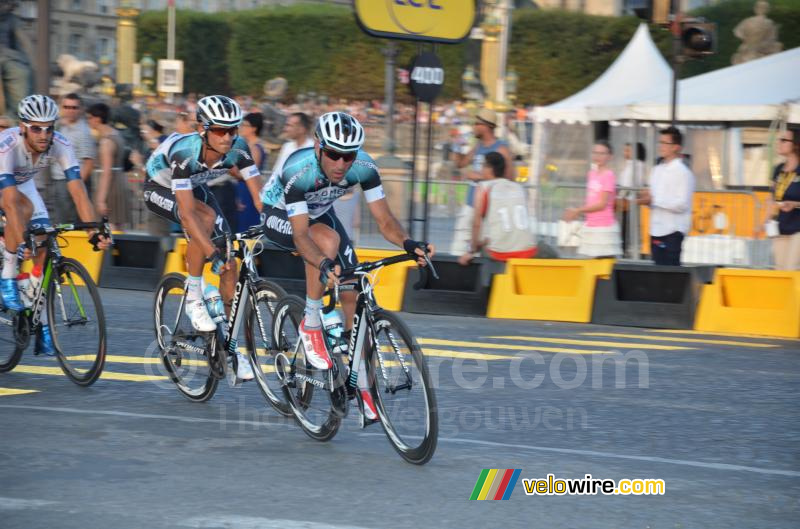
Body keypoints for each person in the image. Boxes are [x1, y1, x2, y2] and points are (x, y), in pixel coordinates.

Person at [259, 111, 432, 419]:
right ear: (318, 146)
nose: (340, 164)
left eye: (347, 156)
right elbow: (301, 235)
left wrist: (408, 243)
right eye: (333, 154)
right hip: (281, 214)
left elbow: (384, 220)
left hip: (319, 212)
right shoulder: (299, 170)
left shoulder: (363, 167)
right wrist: (324, 264)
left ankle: (361, 381)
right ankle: (311, 322)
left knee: (354, 285)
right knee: (324, 243)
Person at [144, 95, 262, 381]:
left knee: (231, 259)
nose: (227, 137)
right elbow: (186, 214)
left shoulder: (240, 149)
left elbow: (262, 199)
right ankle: (194, 296)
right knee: (204, 222)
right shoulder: (186, 152)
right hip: (159, 187)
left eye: (233, 130)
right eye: (220, 130)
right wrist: (211, 254)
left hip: (195, 186)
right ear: (204, 129)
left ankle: (230, 347)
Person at [0, 94, 110, 354]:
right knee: (19, 208)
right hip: (5, 182)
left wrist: (93, 229)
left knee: (45, 237)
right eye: (36, 128)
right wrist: (20, 232)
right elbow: (10, 199)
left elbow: (78, 191)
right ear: (23, 126)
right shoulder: (7, 145)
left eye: (49, 128)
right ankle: (7, 276)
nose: (43, 134)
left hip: (22, 183)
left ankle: (39, 314)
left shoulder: (61, 144)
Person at [451, 108, 513, 255]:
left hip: (488, 208)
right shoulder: (477, 146)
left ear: (485, 126)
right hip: (471, 205)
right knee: (458, 248)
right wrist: (456, 145)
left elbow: (510, 178)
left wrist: (481, 177)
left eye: (476, 123)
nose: (474, 127)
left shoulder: (502, 149)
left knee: (479, 250)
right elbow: (461, 163)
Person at [458, 151, 535, 266]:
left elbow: (476, 224)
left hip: (501, 254)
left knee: (479, 255)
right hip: (528, 251)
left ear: (489, 168)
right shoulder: (518, 188)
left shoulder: (483, 188)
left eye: (483, 166)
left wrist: (471, 251)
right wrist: (483, 242)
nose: (481, 170)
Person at [637, 127, 695, 266]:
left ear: (676, 147)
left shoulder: (683, 173)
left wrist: (654, 200)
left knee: (670, 274)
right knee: (658, 273)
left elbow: (682, 204)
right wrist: (646, 199)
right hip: (656, 230)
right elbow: (653, 199)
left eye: (665, 143)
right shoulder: (656, 170)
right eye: (660, 142)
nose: (661, 146)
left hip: (672, 232)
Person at [564, 140, 622, 258]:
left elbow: (602, 204)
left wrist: (578, 210)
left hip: (603, 227)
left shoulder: (608, 175)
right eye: (595, 152)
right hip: (591, 225)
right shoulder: (592, 173)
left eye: (602, 153)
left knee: (604, 265)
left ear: (609, 156)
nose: (597, 156)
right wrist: (577, 211)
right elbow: (591, 200)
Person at [86, 102, 131, 230]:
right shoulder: (117, 135)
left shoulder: (106, 142)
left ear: (97, 118)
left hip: (110, 188)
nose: (88, 121)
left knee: (108, 227)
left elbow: (107, 172)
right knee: (119, 226)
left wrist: (100, 199)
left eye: (89, 118)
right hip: (120, 183)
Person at [769, 128, 800, 270]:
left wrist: (795, 204)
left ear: (795, 144)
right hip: (779, 228)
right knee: (779, 272)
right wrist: (764, 222)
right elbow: (771, 197)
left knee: (791, 269)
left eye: (783, 140)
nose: (778, 143)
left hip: (797, 230)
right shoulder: (778, 169)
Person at [236, 112, 267, 230]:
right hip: (243, 188)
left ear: (254, 128)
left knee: (246, 225)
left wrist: (231, 170)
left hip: (248, 190)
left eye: (245, 125)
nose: (241, 128)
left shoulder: (255, 148)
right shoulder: (247, 146)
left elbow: (250, 175)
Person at [617, 142, 646, 257]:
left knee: (626, 229)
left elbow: (628, 185)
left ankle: (627, 253)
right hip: (627, 200)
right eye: (625, 150)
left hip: (628, 202)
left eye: (628, 150)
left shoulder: (636, 166)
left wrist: (621, 195)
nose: (625, 153)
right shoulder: (632, 165)